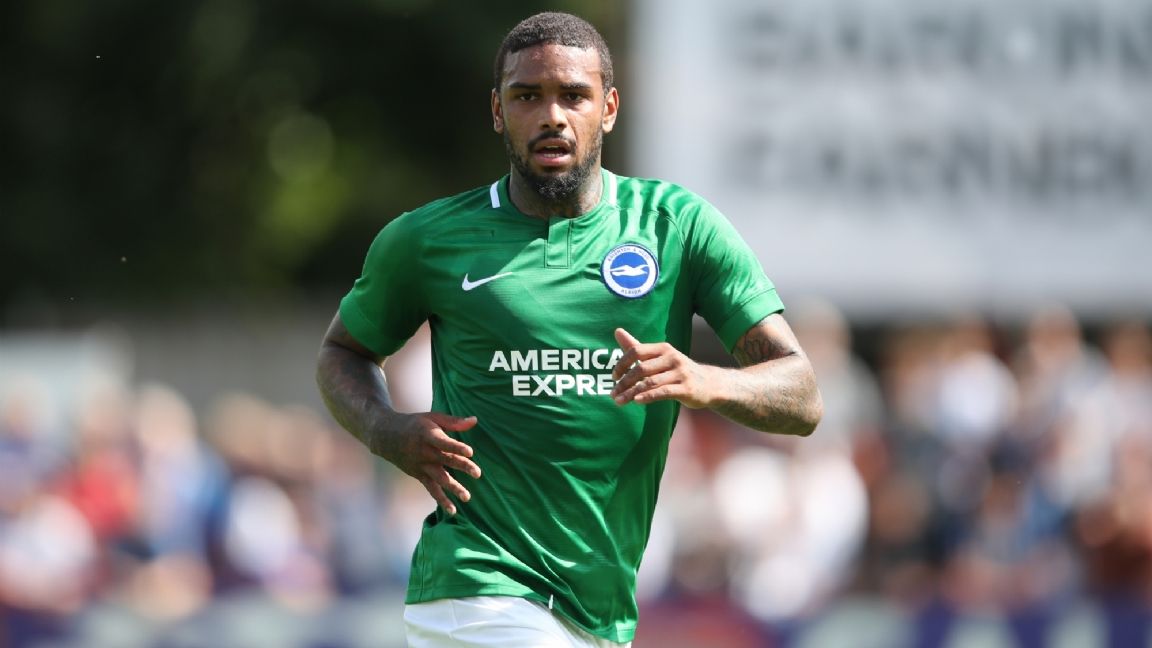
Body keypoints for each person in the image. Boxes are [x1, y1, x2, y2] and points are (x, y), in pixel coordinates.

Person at [315, 11, 823, 647]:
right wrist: (384, 428)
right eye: (528, 96)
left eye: (574, 96)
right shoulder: (427, 240)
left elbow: (802, 396)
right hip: (478, 589)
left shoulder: (678, 227)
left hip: (598, 610)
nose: (552, 116)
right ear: (498, 111)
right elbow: (343, 351)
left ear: (608, 108)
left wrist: (704, 381)